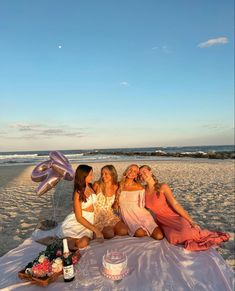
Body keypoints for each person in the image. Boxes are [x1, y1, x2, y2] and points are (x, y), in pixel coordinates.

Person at [139, 165, 230, 251]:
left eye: (144, 171)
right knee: (172, 238)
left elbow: (175, 204)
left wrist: (191, 221)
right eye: (140, 174)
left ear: (150, 172)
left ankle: (202, 233)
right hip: (163, 223)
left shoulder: (162, 187)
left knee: (188, 233)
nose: (143, 175)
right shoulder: (143, 191)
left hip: (174, 217)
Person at [56, 164, 104, 249]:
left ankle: (72, 246)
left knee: (84, 243)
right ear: (83, 176)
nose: (92, 177)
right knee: (69, 245)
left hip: (88, 221)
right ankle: (68, 244)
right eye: (90, 175)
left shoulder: (90, 186)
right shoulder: (78, 193)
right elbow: (79, 217)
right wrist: (96, 230)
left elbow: (103, 182)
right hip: (78, 221)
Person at [116, 164, 163, 240]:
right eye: (130, 170)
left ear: (136, 175)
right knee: (140, 233)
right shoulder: (118, 185)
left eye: (135, 171)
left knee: (159, 236)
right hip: (128, 216)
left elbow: (143, 205)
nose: (132, 172)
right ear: (126, 171)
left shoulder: (139, 187)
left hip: (142, 215)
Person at [93, 165, 128, 239]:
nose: (103, 176)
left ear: (112, 174)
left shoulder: (116, 187)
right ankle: (101, 231)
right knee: (110, 233)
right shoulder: (97, 185)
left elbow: (127, 182)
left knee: (124, 231)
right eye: (102, 174)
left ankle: (109, 229)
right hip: (97, 217)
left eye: (106, 174)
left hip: (110, 215)